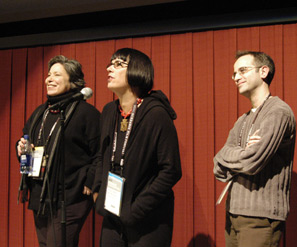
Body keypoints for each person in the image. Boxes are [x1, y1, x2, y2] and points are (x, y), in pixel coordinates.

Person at [92, 48, 182, 246]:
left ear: (137, 70)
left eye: (118, 65)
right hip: (112, 213)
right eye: (110, 64)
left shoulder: (156, 113)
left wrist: (136, 209)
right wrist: (98, 191)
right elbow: (102, 155)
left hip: (148, 218)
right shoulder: (109, 111)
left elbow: (171, 170)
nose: (109, 68)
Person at [213, 50, 296, 247]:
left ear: (263, 71)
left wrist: (236, 155)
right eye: (234, 73)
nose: (236, 77)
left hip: (260, 216)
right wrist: (241, 153)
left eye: (243, 70)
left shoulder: (278, 111)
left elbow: (252, 162)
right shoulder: (243, 119)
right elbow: (217, 164)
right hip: (234, 212)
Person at [16, 55, 100, 247]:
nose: (49, 79)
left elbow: (100, 152)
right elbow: (25, 139)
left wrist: (91, 177)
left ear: (73, 81)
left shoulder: (87, 114)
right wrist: (20, 148)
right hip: (41, 193)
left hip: (70, 196)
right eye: (48, 75)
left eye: (56, 74)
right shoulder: (41, 112)